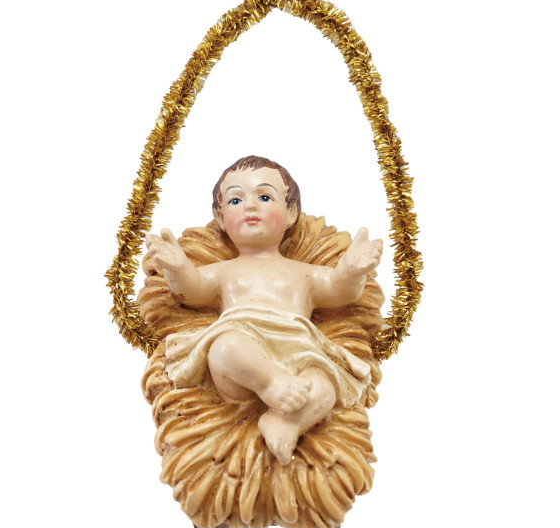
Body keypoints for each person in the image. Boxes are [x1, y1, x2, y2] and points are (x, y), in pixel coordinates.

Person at [143, 156, 382, 465]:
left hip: (298, 352)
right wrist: (177, 267)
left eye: (265, 197)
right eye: (236, 200)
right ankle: (271, 384)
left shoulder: (303, 272)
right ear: (220, 217)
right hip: (240, 356)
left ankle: (286, 423)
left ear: (291, 212)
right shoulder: (226, 271)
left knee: (326, 386)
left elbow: (338, 290)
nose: (251, 207)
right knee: (225, 347)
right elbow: (193, 290)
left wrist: (352, 270)